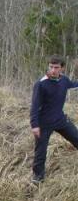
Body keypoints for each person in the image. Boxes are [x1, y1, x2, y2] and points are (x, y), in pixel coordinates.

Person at [30, 54, 78, 184]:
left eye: (56, 67)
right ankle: (37, 178)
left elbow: (73, 84)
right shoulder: (41, 84)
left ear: (62, 68)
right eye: (51, 67)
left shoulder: (64, 80)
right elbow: (34, 106)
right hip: (43, 124)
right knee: (41, 152)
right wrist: (34, 125)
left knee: (76, 137)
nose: (53, 70)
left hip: (60, 120)